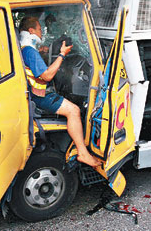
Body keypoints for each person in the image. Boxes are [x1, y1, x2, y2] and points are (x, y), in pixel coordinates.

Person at [19, 17, 102, 167]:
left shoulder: (24, 48)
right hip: (39, 96)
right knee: (74, 110)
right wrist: (62, 54)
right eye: (39, 29)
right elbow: (47, 75)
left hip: (32, 92)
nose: (41, 33)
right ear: (31, 31)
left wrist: (43, 51)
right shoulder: (30, 51)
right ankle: (83, 153)